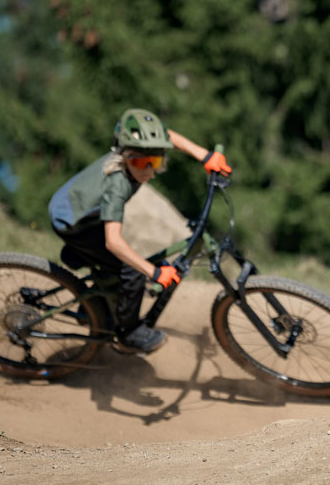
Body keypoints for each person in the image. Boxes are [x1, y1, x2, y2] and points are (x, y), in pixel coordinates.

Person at [48, 108, 231, 354]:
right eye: (138, 162)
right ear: (123, 157)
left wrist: (203, 155)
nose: (146, 170)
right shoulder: (117, 185)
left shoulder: (132, 151)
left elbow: (165, 138)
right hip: (73, 223)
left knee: (122, 265)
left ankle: (94, 303)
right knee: (132, 272)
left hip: (76, 206)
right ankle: (128, 333)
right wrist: (153, 272)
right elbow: (113, 242)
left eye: (154, 162)